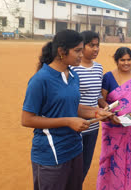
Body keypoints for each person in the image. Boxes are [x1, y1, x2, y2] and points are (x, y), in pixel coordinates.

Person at [21, 30, 113, 190]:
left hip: (75, 149)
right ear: (62, 52)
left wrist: (97, 112)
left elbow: (72, 107)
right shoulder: (40, 80)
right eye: (77, 50)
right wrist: (68, 122)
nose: (81, 54)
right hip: (51, 154)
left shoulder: (73, 75)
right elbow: (27, 119)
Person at [96, 47, 131, 190]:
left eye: (129, 60)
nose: (126, 63)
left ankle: (127, 185)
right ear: (116, 60)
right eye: (122, 60)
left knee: (129, 155)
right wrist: (110, 113)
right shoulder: (108, 77)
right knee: (109, 157)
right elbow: (101, 99)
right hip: (112, 126)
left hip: (130, 126)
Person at [70, 31, 109, 181]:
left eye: (97, 45)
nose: (95, 49)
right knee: (72, 167)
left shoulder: (99, 68)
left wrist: (106, 107)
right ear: (81, 46)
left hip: (93, 126)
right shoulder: (72, 69)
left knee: (84, 166)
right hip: (76, 126)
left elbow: (98, 95)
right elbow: (69, 99)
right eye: (91, 45)